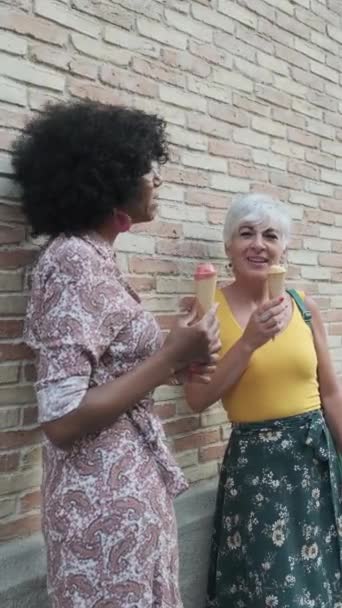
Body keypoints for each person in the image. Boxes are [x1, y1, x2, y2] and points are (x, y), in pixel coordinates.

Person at [12, 100, 221, 608]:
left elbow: (117, 376)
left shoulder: (97, 259)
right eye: (148, 168)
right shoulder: (71, 262)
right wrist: (170, 358)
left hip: (131, 498)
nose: (158, 180)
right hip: (102, 512)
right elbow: (61, 418)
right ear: (110, 177)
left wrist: (181, 353)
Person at [185, 193, 342, 608]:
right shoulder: (205, 309)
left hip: (316, 465)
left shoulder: (303, 305)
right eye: (246, 233)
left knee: (322, 582)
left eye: (270, 235)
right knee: (274, 591)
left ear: (283, 249)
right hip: (258, 473)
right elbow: (197, 399)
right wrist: (249, 342)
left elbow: (330, 393)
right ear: (228, 247)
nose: (258, 243)